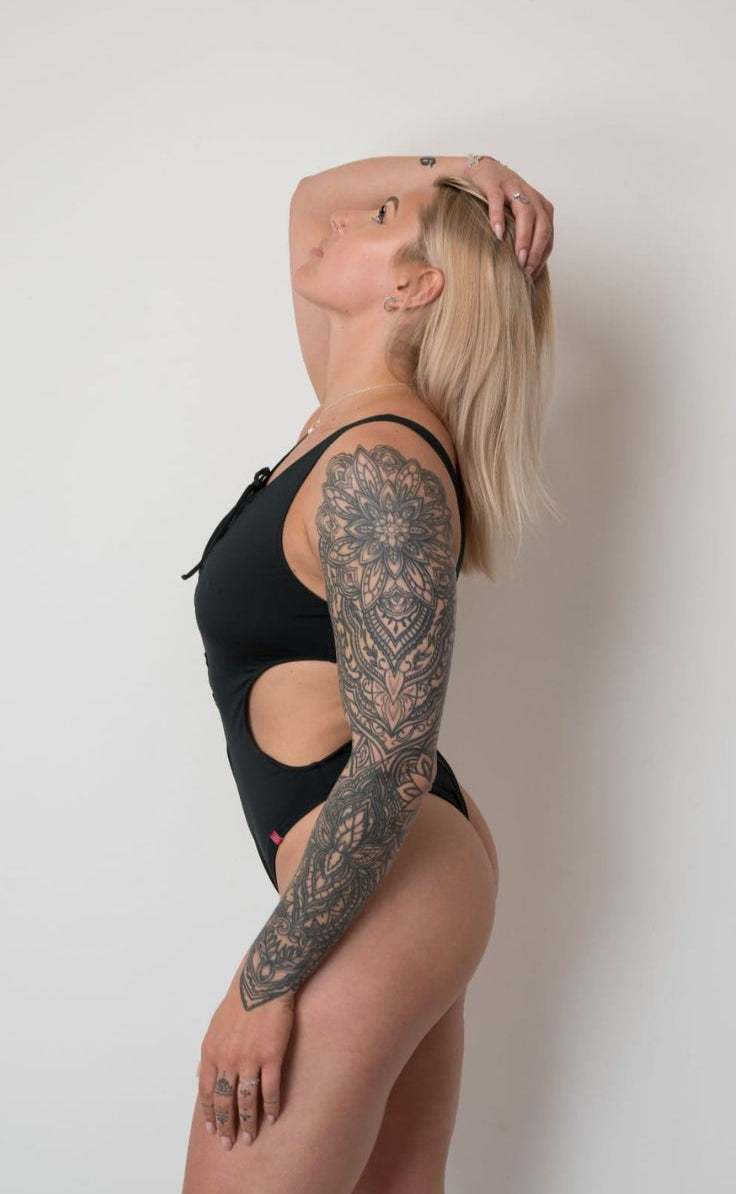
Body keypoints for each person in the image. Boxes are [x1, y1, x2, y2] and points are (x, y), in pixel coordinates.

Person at [180, 153, 555, 1194]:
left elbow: (392, 759)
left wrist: (261, 985)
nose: (342, 224)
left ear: (414, 285)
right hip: (389, 868)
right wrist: (460, 169)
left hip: (387, 864)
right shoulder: (340, 416)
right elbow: (310, 201)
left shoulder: (379, 467)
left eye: (380, 218)